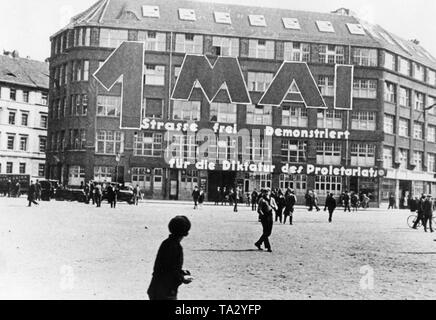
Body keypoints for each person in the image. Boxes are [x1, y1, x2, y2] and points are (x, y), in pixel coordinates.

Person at [147, 216, 193, 300]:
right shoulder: (175, 247)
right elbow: (169, 271)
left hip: (156, 287)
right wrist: (182, 277)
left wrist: (181, 273)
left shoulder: (166, 243)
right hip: (166, 291)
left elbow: (166, 267)